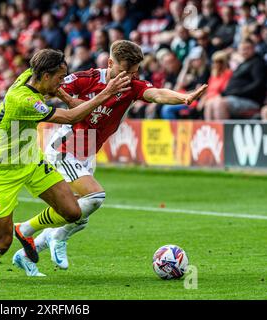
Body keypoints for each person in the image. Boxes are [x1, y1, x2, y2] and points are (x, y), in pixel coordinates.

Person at [11, 40, 207, 276]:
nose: (130, 76)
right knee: (95, 197)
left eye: (135, 72)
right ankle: (42, 233)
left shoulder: (132, 86)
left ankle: (24, 255)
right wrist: (71, 102)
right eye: (126, 71)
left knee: (79, 216)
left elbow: (156, 94)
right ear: (110, 63)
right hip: (65, 148)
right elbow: (56, 87)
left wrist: (183, 97)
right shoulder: (88, 78)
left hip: (86, 153)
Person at [0, 48, 131, 281]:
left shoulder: (33, 75)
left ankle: (25, 229)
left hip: (32, 161)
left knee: (72, 212)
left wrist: (68, 97)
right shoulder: (24, 100)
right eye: (60, 78)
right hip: (3, 169)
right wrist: (105, 93)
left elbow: (51, 80)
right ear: (46, 76)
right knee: (2, 242)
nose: (63, 82)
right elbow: (71, 118)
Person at [206, 39, 266, 119]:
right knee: (209, 103)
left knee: (219, 104)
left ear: (253, 48)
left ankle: (223, 131)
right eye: (242, 49)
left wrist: (237, 92)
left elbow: (258, 84)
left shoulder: (258, 63)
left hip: (250, 100)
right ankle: (212, 130)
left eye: (247, 48)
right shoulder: (243, 63)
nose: (245, 51)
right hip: (235, 98)